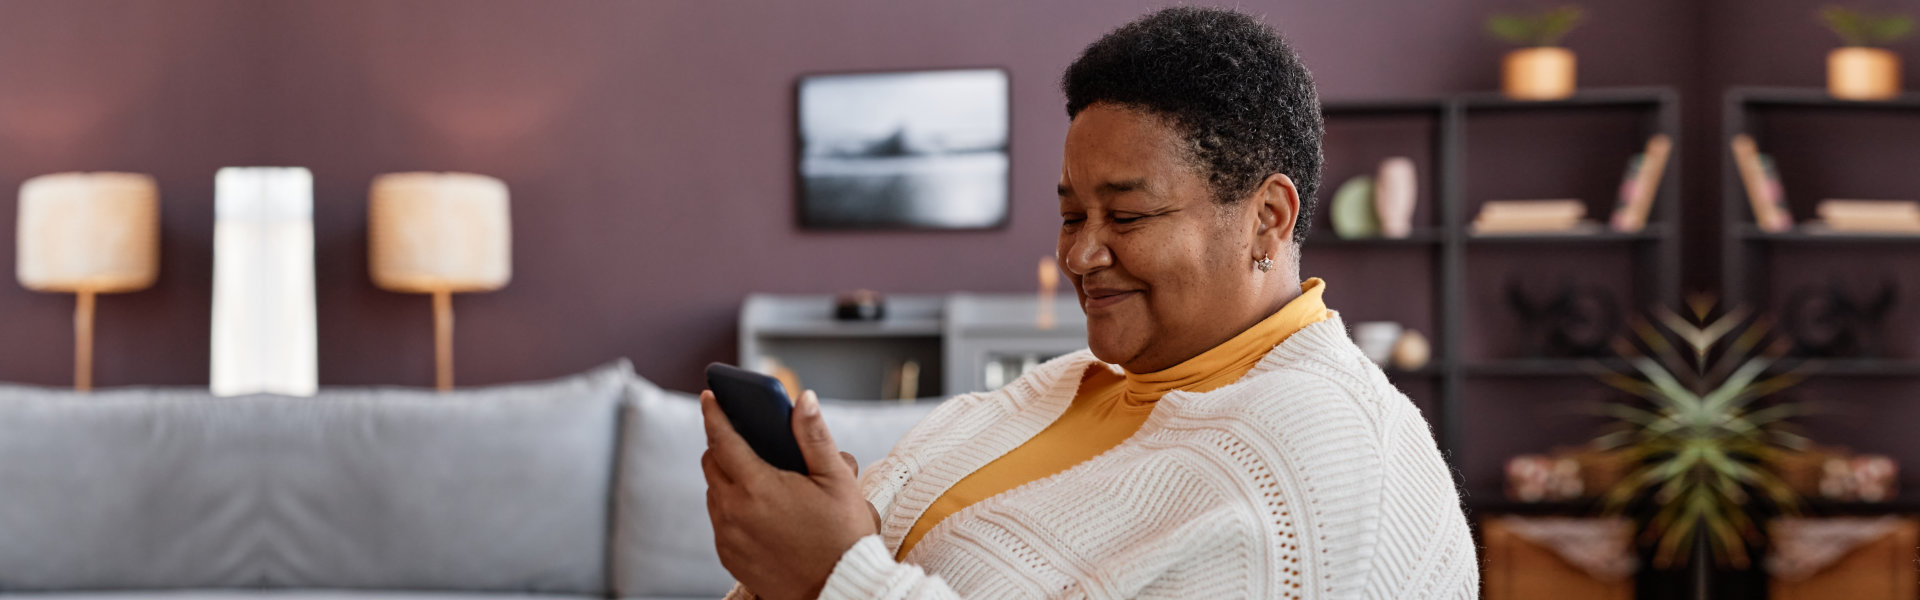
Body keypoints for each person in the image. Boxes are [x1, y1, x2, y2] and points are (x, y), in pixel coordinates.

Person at [700, 7, 1478, 599]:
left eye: (1128, 216)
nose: (1078, 255)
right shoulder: (1063, 385)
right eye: (1073, 215)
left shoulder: (1332, 477)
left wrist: (834, 575)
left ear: (1266, 218)